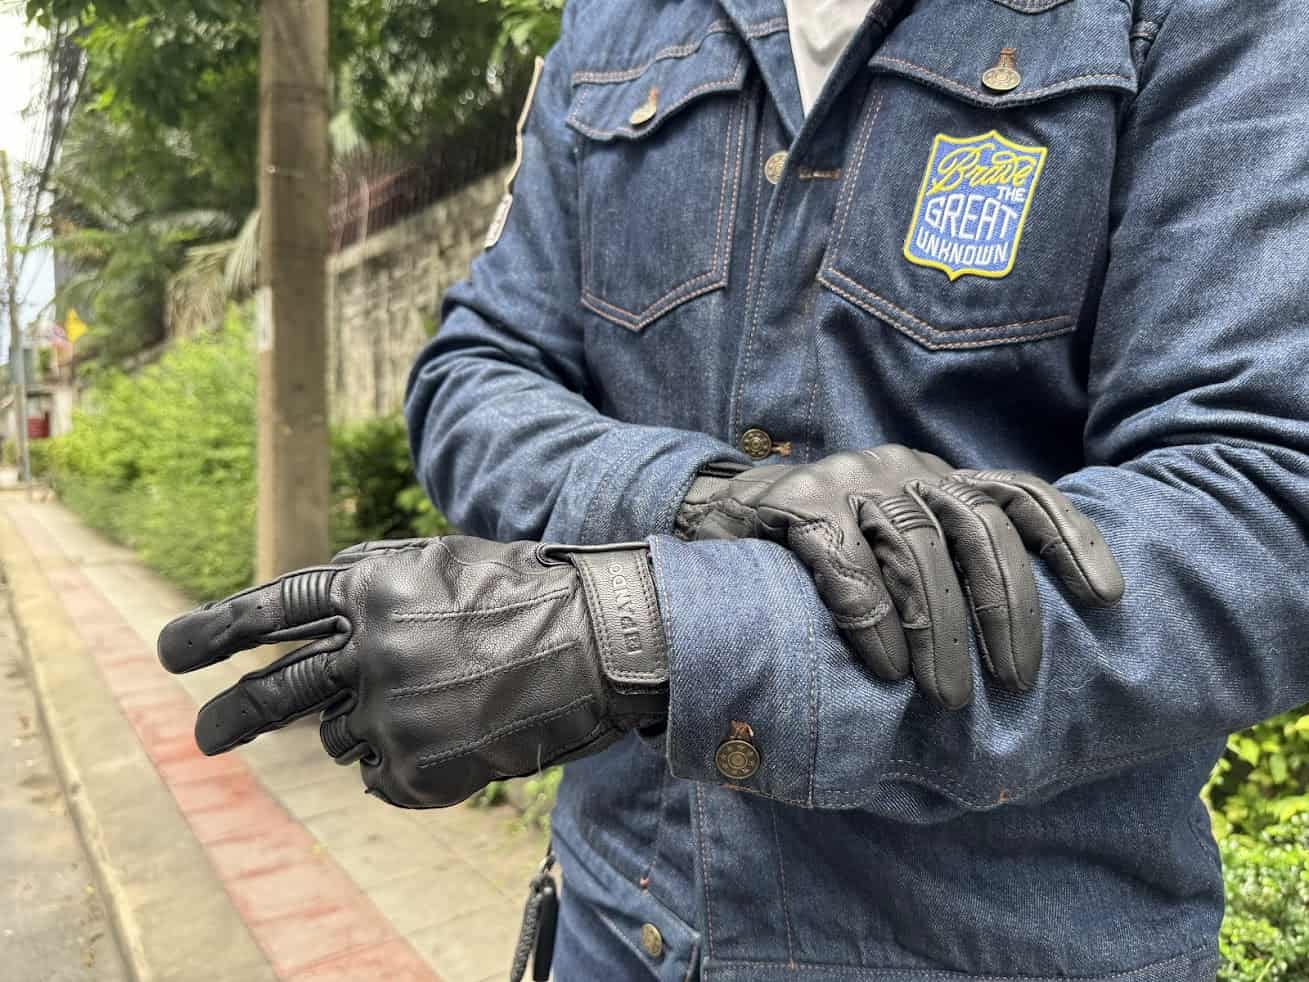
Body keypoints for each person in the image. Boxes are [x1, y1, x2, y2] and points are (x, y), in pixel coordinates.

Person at [158, 1, 1309, 979]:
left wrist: (654, 633)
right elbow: (476, 369)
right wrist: (702, 497)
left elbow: (1263, 507)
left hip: (997, 943)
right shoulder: (617, 22)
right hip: (616, 921)